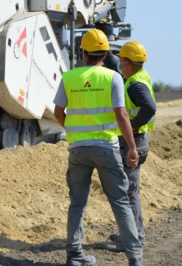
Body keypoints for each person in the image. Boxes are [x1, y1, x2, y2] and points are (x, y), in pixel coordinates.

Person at [53, 29, 144, 266]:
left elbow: (57, 112)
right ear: (105, 54)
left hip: (78, 150)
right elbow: (122, 115)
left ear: (83, 53)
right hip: (107, 148)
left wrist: (74, 131)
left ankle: (74, 256)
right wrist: (132, 148)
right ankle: (135, 258)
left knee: (77, 203)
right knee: (120, 201)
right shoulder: (112, 77)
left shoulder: (69, 77)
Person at [104, 41, 156, 251]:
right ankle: (130, 233)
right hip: (136, 142)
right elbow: (113, 63)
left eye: (122, 61)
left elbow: (149, 108)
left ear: (127, 63)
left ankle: (133, 240)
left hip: (135, 142)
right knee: (129, 190)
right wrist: (104, 48)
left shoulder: (135, 84)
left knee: (129, 192)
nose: (119, 65)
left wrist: (132, 126)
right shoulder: (137, 76)